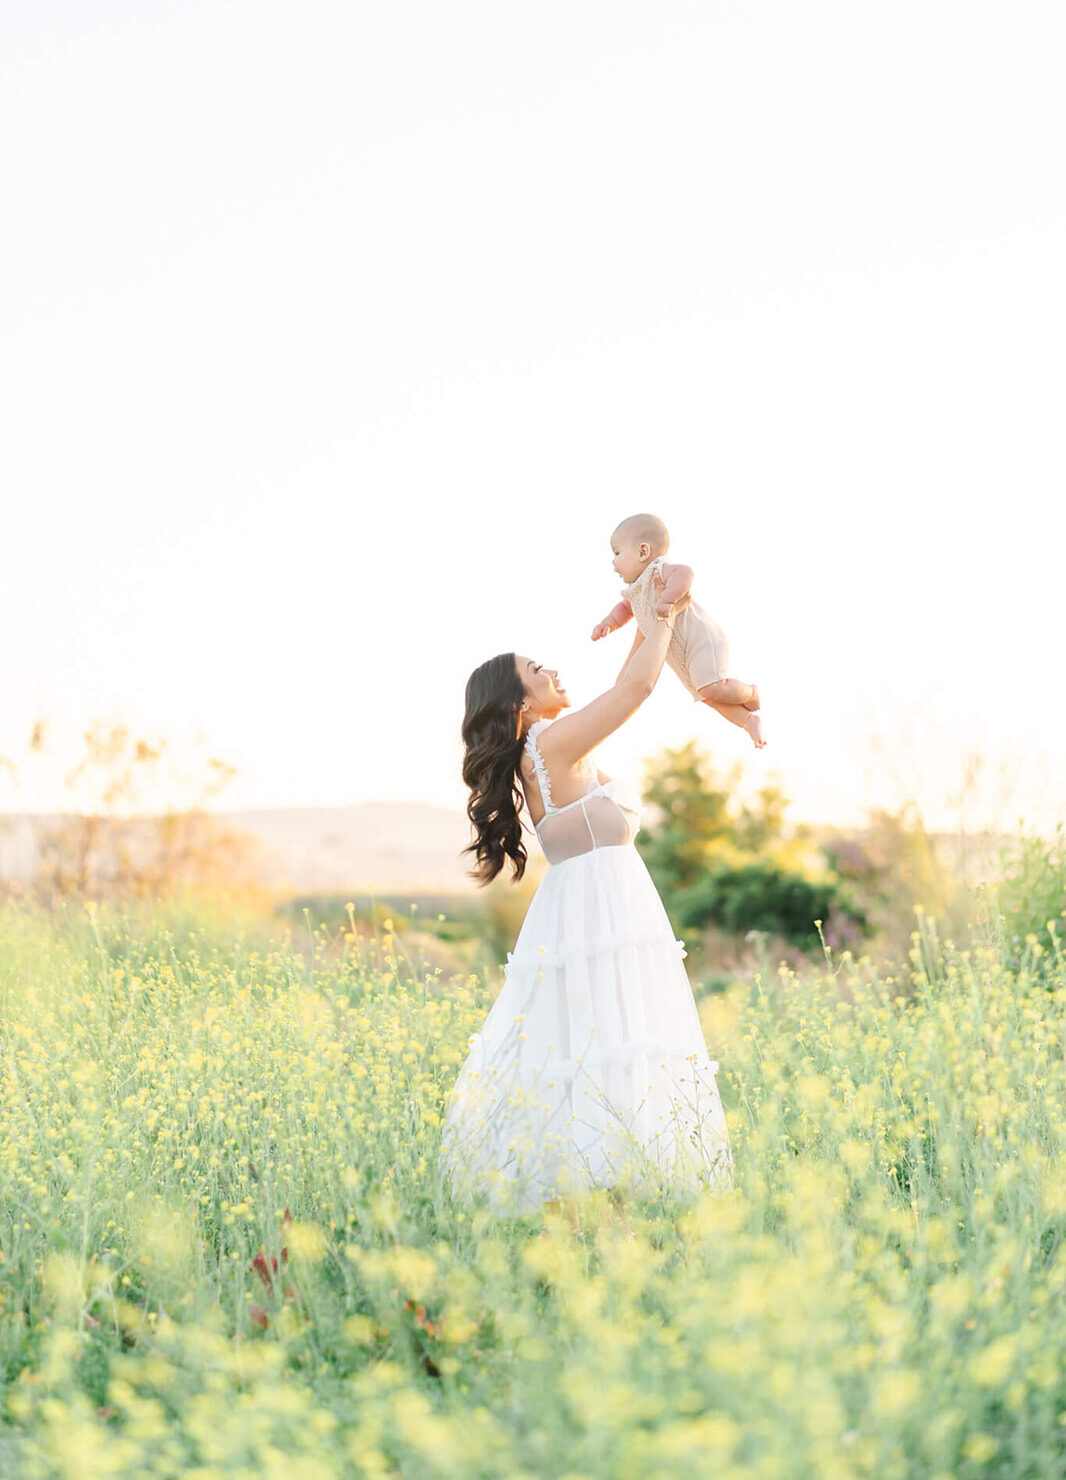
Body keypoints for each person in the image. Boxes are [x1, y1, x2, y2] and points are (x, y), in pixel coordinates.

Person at [438, 581, 734, 1217]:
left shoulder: (547, 748)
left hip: (601, 909)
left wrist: (652, 623)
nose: (552, 670)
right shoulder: (547, 745)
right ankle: (599, 1220)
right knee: (603, 1055)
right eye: (536, 670)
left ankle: (600, 1221)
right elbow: (634, 691)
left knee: (603, 1056)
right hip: (597, 913)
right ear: (518, 701)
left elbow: (629, 676)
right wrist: (660, 615)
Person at [592, 512, 766, 748]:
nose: (613, 563)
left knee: (711, 687)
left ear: (643, 552)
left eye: (617, 553)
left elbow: (685, 573)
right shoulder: (635, 591)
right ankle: (748, 720)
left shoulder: (657, 570)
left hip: (700, 639)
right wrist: (608, 623)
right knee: (706, 695)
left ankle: (750, 693)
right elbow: (624, 609)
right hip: (680, 652)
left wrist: (669, 599)